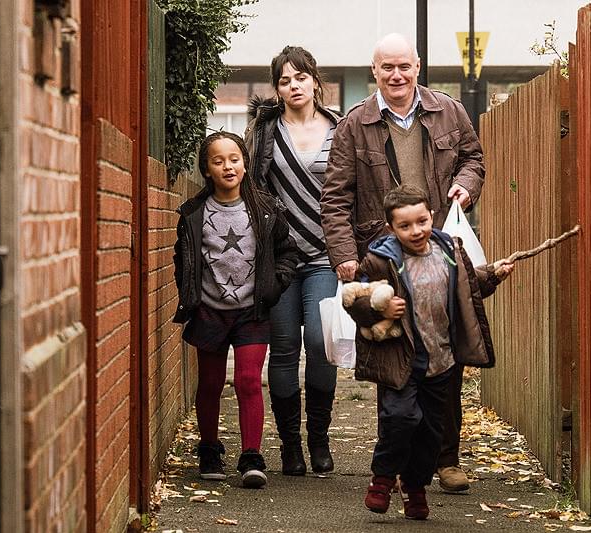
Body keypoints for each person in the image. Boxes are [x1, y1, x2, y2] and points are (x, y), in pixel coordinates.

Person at [320, 33, 485, 493]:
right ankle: (392, 464)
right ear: (374, 71)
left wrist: (466, 185)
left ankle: (445, 459)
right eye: (387, 67)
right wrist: (345, 257)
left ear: (418, 66)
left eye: (404, 66)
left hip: (439, 251)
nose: (397, 75)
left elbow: (473, 158)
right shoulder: (354, 124)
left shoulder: (449, 110)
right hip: (384, 259)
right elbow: (336, 197)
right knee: (393, 361)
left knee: (445, 357)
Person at [343, 185, 514, 519]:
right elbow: (354, 298)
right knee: (400, 418)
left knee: (431, 433)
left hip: (441, 360)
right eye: (405, 226)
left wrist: (493, 274)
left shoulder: (449, 249)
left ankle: (415, 486)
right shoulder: (380, 260)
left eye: (421, 221)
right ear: (391, 228)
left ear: (431, 216)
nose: (416, 231)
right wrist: (379, 308)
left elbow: (468, 285)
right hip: (402, 359)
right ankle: (383, 477)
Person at [172, 131, 298, 488]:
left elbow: (287, 251)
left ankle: (251, 456)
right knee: (211, 383)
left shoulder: (266, 208)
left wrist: (274, 286)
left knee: (248, 380)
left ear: (244, 165)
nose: (227, 166)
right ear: (206, 169)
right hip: (209, 310)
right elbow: (182, 258)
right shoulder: (194, 213)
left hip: (251, 311)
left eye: (234, 159)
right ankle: (209, 450)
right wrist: (190, 292)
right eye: (218, 161)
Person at [245, 46, 341, 476]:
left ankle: (319, 439)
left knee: (321, 344)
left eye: (300, 77)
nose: (293, 85)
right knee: (284, 349)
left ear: (315, 81)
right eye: (284, 80)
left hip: (325, 255)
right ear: (277, 88)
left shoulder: (340, 128)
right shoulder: (264, 131)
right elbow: (252, 186)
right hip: (280, 258)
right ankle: (291, 448)